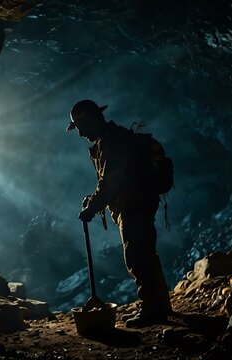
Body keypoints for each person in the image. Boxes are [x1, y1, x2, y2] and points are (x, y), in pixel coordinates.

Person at [66, 99, 173, 328]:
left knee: (136, 255)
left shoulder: (111, 142)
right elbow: (109, 181)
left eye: (80, 126)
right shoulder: (113, 138)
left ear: (90, 120)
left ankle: (152, 309)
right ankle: (160, 305)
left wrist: (92, 208)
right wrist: (93, 200)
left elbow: (111, 182)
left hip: (133, 204)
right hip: (139, 201)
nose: (80, 133)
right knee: (146, 253)